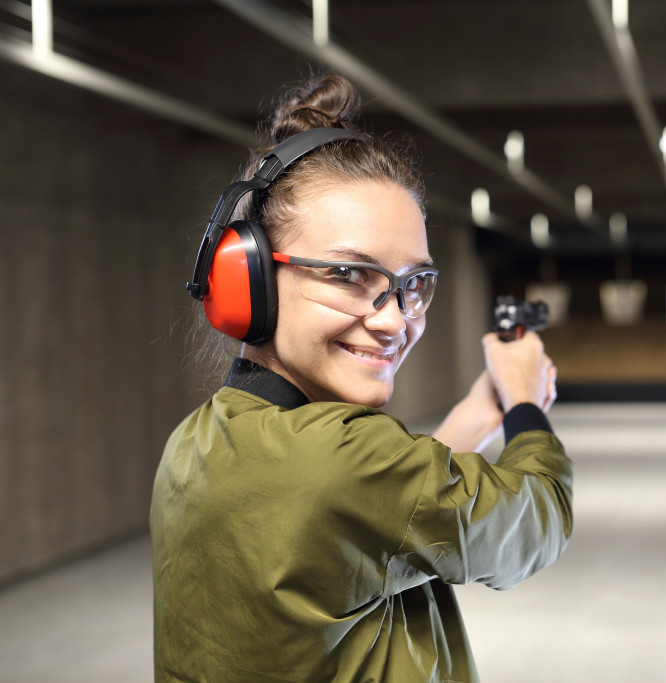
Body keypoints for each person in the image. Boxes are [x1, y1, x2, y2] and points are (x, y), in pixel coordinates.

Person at [150, 74, 572, 683]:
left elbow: (364, 519)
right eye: (348, 274)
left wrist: (481, 414)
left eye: (412, 285)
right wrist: (527, 408)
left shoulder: (196, 444)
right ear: (249, 278)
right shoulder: (351, 462)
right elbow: (536, 523)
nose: (395, 320)